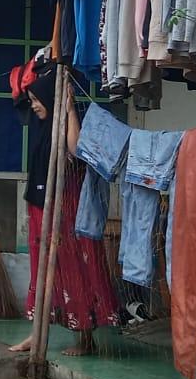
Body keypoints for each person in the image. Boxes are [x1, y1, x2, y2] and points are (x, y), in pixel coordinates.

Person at [8, 67, 119, 357]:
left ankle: (85, 338)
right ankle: (37, 334)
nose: (33, 105)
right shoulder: (41, 129)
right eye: (31, 99)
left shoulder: (65, 126)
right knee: (43, 272)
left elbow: (74, 148)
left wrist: (69, 109)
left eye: (37, 100)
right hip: (40, 208)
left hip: (66, 210)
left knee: (74, 269)